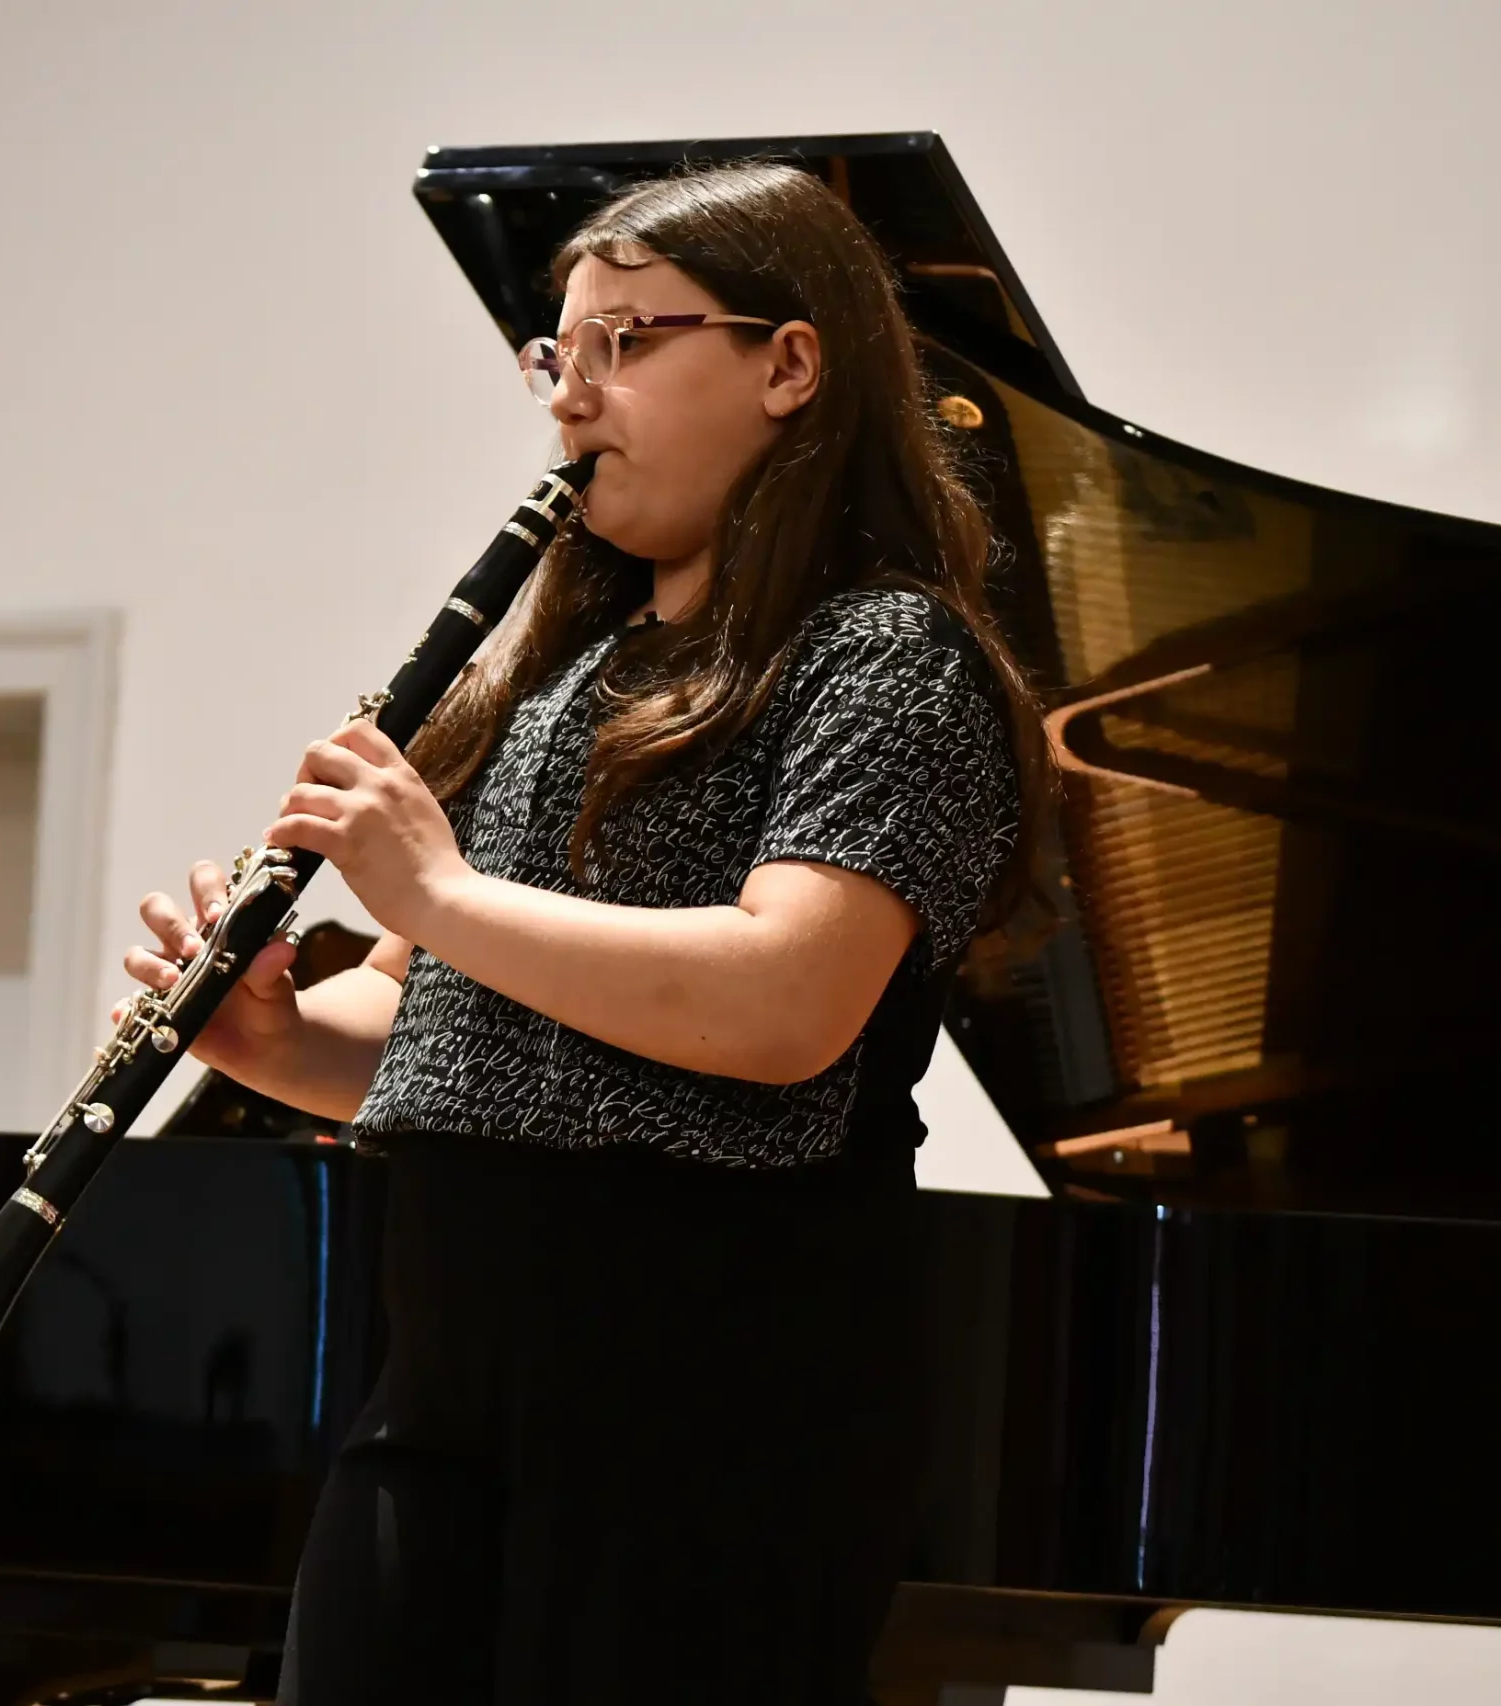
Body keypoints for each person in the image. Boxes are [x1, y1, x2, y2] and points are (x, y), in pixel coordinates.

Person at [121, 163, 1050, 1704]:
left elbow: (785, 1003)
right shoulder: (554, 676)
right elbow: (446, 1040)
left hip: (712, 1409)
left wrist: (434, 892)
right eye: (561, 354)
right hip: (445, 1388)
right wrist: (272, 1037)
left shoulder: (887, 656)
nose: (571, 399)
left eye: (626, 341)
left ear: (789, 363)